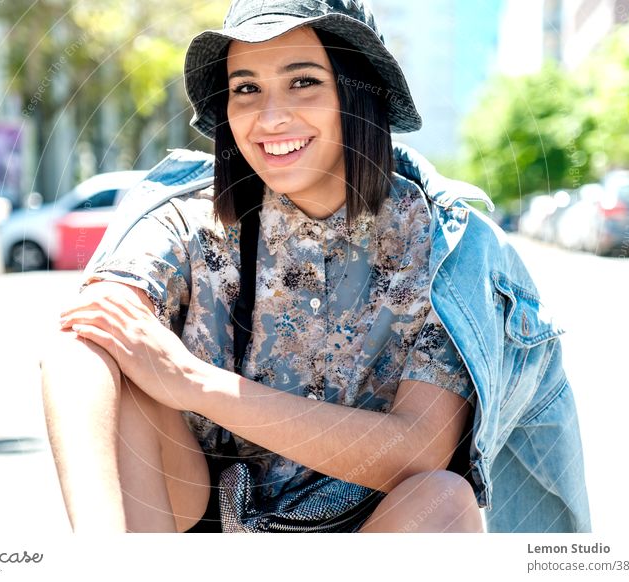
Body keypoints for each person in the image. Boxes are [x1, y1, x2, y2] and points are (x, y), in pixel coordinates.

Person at [42, 0, 590, 533]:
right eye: (246, 88)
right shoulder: (186, 220)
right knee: (94, 341)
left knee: (444, 501)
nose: (271, 116)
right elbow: (89, 339)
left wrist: (189, 380)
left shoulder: (447, 249)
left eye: (303, 81)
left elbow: (419, 451)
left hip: (368, 536)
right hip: (196, 519)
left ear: (356, 93)